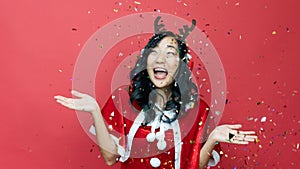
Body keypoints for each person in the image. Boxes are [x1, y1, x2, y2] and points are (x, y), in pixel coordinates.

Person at [54, 31, 257, 169]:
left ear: (181, 65)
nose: (160, 59)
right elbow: (110, 158)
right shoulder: (124, 99)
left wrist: (212, 139)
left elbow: (193, 166)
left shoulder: (197, 109)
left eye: (170, 53)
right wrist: (95, 112)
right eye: (155, 53)